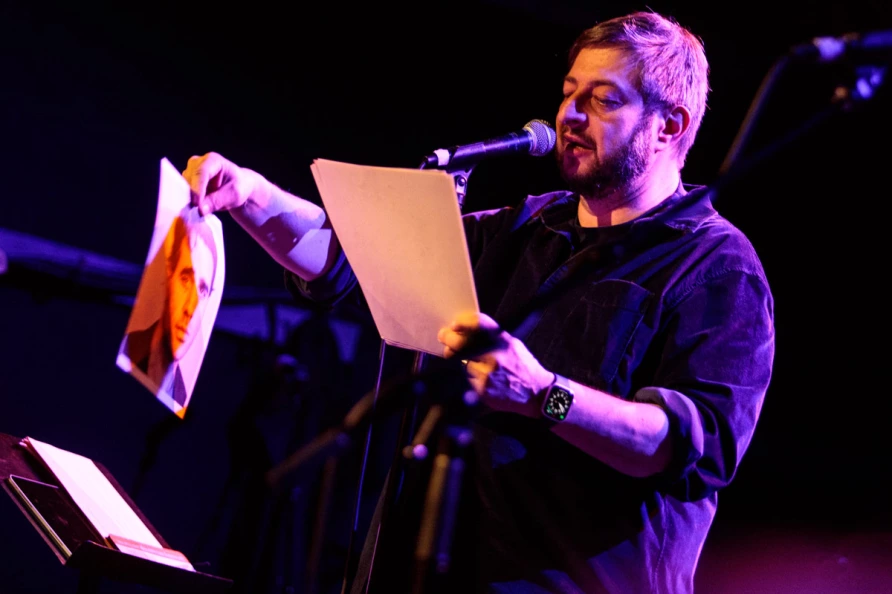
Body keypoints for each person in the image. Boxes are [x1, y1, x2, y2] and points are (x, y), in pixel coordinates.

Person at [182, 10, 774, 594]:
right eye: (569, 93)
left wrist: (545, 395)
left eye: (603, 99)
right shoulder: (523, 228)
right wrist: (251, 197)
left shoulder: (717, 267)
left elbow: (686, 446)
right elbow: (352, 256)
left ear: (670, 126)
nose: (568, 115)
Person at [122, 210, 219, 409]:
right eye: (185, 280)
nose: (190, 309)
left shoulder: (182, 393)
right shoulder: (129, 356)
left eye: (202, 290)